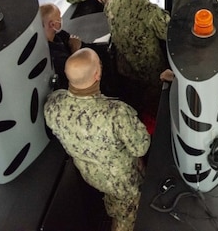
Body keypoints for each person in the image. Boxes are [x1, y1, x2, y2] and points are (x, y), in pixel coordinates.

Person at [44, 48, 150, 231]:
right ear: (97, 75)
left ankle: (113, 209)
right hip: (124, 182)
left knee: (112, 198)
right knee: (127, 217)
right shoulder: (116, 113)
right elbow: (141, 148)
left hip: (90, 175)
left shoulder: (53, 104)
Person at [105, 0, 174, 129]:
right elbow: (170, 33)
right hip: (150, 74)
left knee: (133, 99)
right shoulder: (150, 12)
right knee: (152, 106)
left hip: (123, 68)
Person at [40, 3, 83, 90]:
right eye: (58, 18)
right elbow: (77, 76)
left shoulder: (59, 35)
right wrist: (75, 50)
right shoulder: (51, 56)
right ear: (52, 24)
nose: (60, 20)